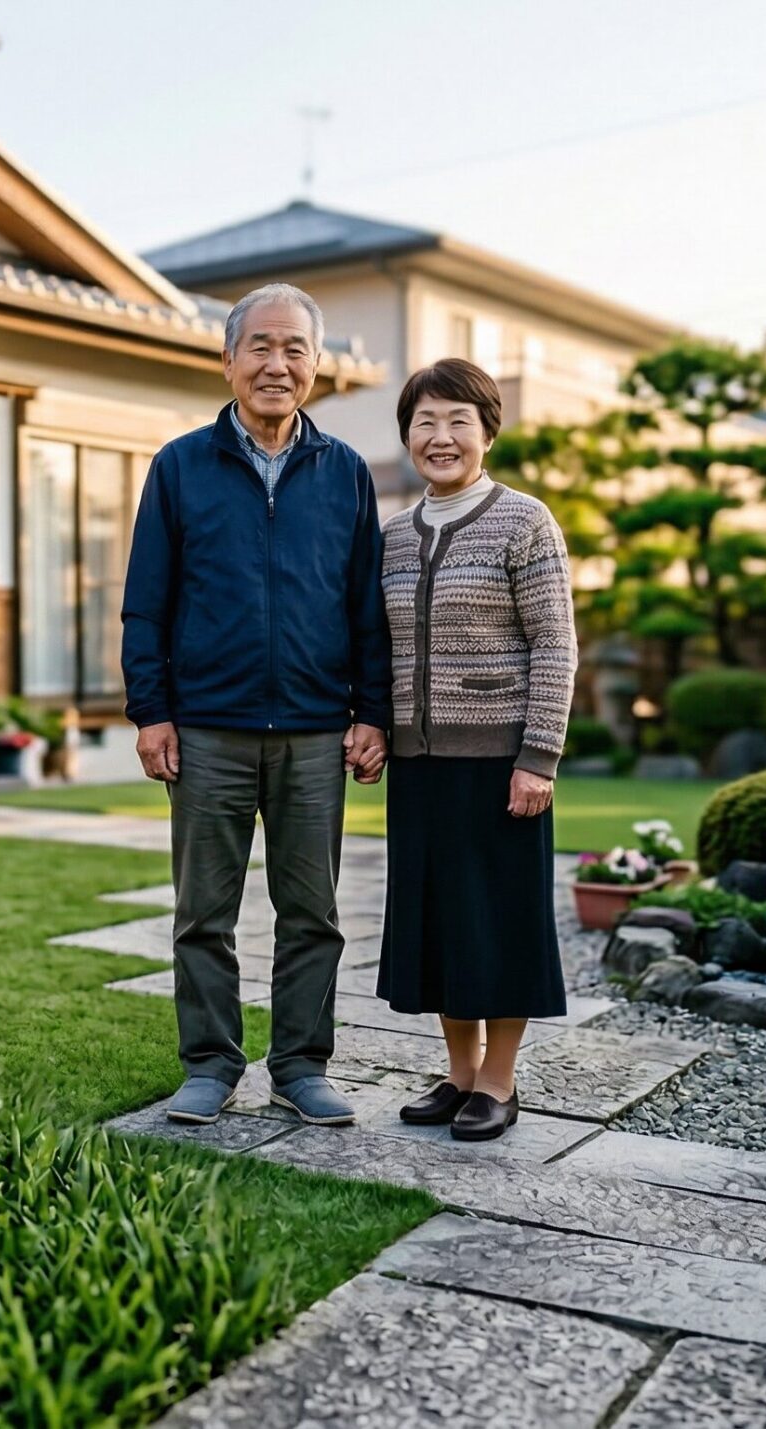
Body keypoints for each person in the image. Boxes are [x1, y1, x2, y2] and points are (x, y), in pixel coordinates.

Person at [121, 282, 391, 1128]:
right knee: (204, 910)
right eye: (262, 347)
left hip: (314, 731)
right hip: (207, 728)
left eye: (296, 350)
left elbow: (366, 605)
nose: (278, 365)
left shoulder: (345, 471)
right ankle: (209, 1063)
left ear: (316, 365)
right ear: (229, 359)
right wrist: (150, 710)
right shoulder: (179, 467)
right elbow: (145, 602)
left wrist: (372, 711)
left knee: (312, 912)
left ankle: (302, 1065)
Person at [373, 357, 578, 1142]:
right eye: (425, 421)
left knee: (501, 918)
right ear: (408, 437)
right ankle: (457, 1074)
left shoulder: (526, 521)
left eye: (458, 419)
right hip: (420, 764)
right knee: (440, 922)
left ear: (487, 430)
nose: (441, 436)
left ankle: (500, 1079)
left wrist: (539, 756)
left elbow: (556, 645)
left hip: (501, 764)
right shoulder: (393, 536)